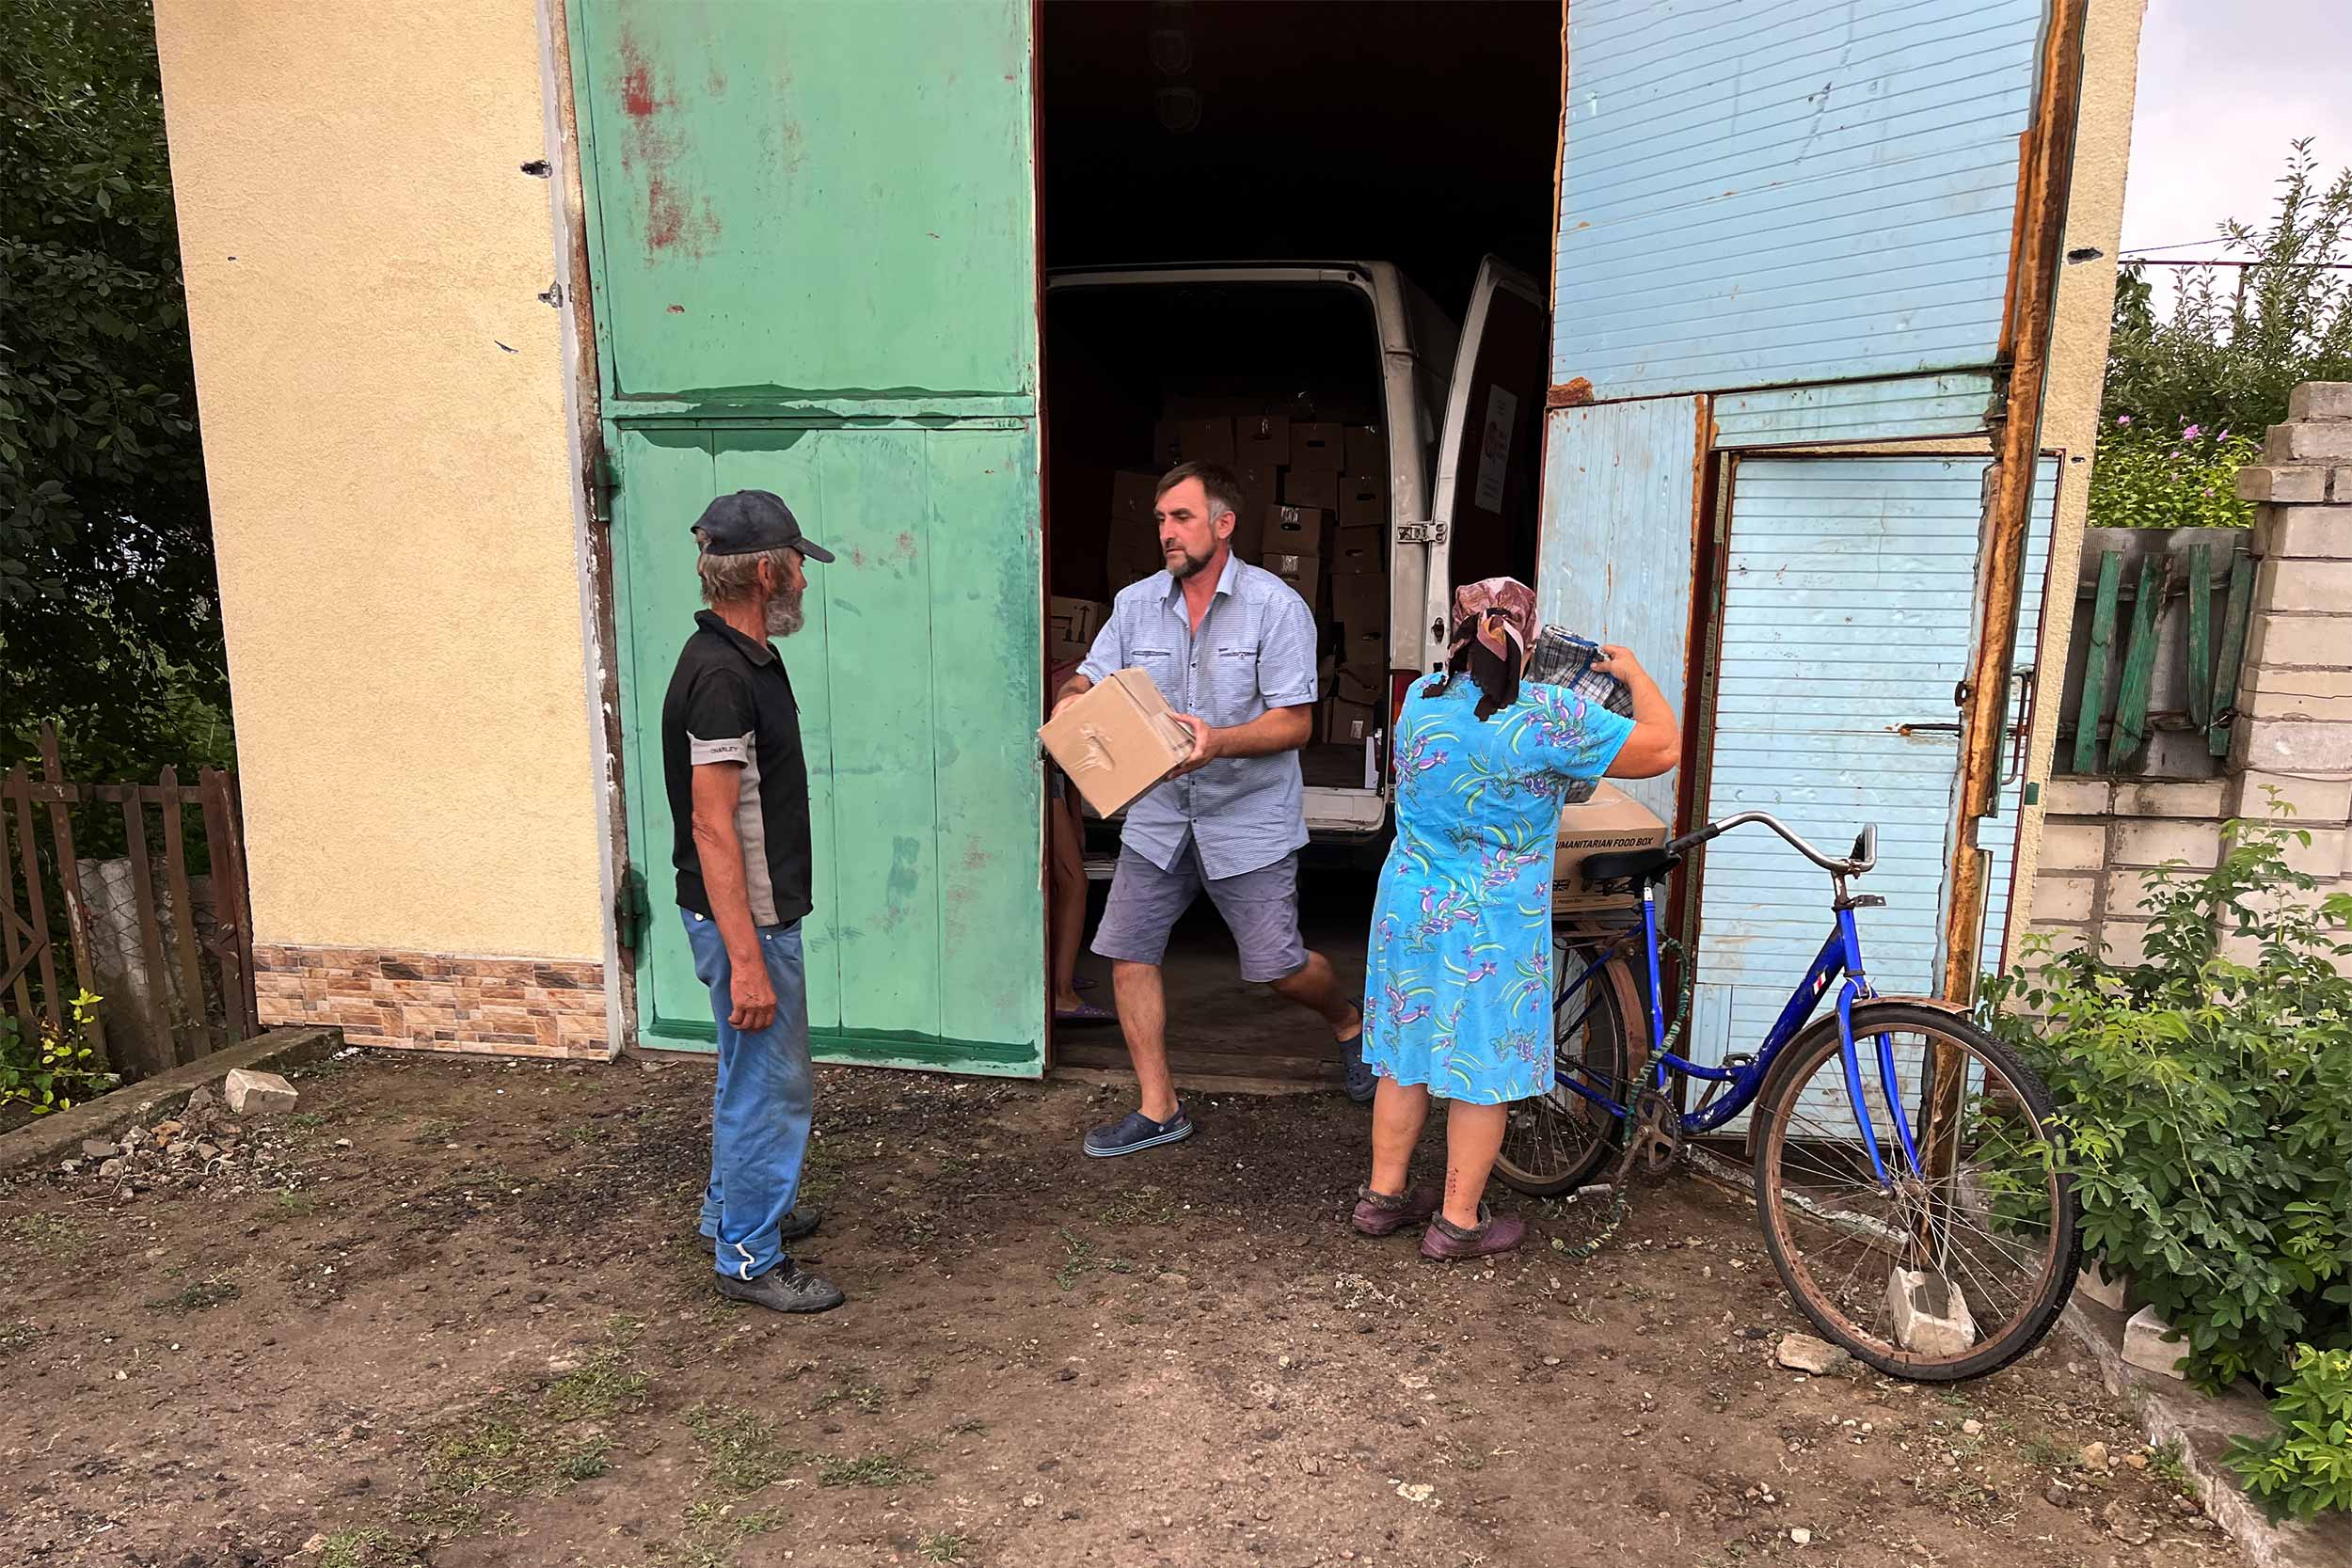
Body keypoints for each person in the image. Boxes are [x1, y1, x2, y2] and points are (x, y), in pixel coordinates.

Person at [1353, 578, 1679, 1260]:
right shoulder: (1549, 718)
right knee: (1485, 1066)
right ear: (1530, 642)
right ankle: (1458, 1221)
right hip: (1490, 922)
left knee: (1406, 1055)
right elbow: (1661, 748)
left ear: (1459, 634)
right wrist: (1635, 674)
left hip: (1411, 907)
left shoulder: (1418, 701)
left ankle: (1382, 1198)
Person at [1052, 460, 1367, 1156]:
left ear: (1223, 524)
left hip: (1247, 817)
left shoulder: (1276, 606)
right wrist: (1073, 699)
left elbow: (1295, 723)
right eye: (1161, 518)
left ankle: (1349, 1022)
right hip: (1160, 815)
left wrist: (1218, 742)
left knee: (1278, 968)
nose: (1166, 531)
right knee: (1128, 950)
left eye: (1182, 517)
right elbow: (1090, 674)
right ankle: (1159, 1107)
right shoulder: (1135, 605)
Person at [662, 489, 845, 1313]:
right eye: (798, 562)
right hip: (751, 923)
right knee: (772, 1086)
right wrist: (747, 962)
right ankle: (748, 1255)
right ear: (767, 571)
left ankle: (727, 1213)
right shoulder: (721, 679)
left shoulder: (744, 661)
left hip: (754, 918)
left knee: (750, 1077)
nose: (805, 577)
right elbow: (711, 827)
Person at [1048, 654, 1115, 1027]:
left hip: (1056, 778)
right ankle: (1061, 994)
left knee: (1064, 884)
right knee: (1074, 883)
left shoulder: (1068, 677)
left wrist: (1076, 819)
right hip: (1049, 780)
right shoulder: (1074, 678)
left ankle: (1059, 975)